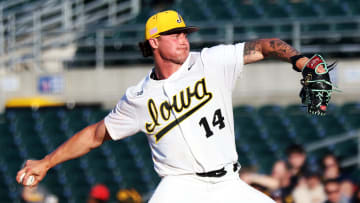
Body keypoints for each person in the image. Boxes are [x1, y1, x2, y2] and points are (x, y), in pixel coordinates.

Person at [16, 10, 333, 203]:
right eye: (174, 34)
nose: (183, 39)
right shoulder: (138, 97)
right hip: (180, 187)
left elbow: (265, 46)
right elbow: (96, 135)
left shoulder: (211, 61)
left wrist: (299, 59)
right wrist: (46, 162)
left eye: (184, 32)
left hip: (228, 184)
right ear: (154, 42)